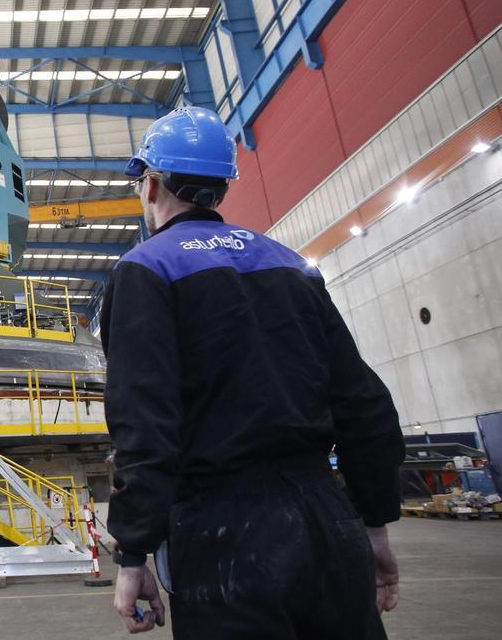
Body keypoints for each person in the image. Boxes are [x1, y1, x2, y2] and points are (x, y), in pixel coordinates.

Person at [98, 107, 405, 638]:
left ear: (150, 186)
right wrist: (373, 523)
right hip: (329, 521)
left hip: (223, 536)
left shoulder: (147, 270)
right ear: (221, 188)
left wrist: (133, 554)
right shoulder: (289, 264)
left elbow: (145, 424)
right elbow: (363, 403)